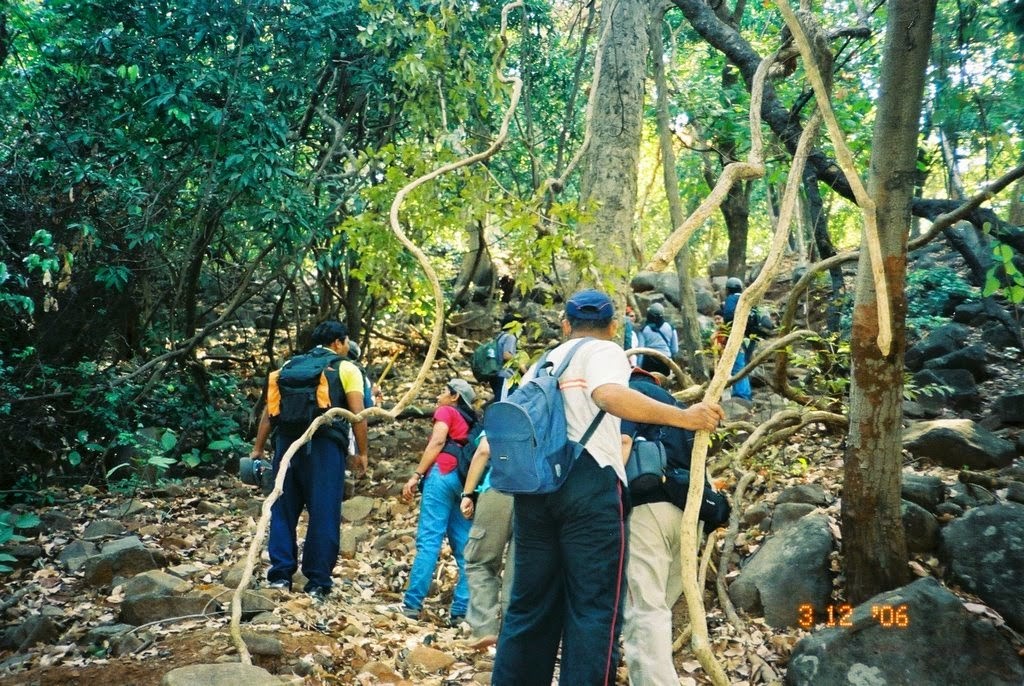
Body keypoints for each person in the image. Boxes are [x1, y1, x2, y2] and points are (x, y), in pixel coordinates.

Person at [491, 289, 724, 686]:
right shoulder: (604, 352)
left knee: (528, 609)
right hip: (590, 486)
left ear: (565, 324)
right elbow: (609, 395)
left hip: (535, 490)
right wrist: (685, 417)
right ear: (613, 327)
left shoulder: (540, 365)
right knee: (594, 610)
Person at [250, 320, 368, 600]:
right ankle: (317, 581)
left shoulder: (290, 365)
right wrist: (362, 453)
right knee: (324, 513)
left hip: (286, 445)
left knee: (283, 509)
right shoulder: (346, 368)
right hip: (325, 448)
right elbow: (358, 415)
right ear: (339, 342)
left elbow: (270, 411)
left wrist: (258, 448)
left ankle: (280, 576)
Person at [620, 367, 702, 686]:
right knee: (656, 609)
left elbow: (623, 440)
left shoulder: (628, 396)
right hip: (688, 514)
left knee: (645, 609)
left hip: (647, 511)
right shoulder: (681, 410)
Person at [392, 378, 478, 624]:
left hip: (441, 475)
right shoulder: (473, 422)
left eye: (443, 391)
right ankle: (460, 611)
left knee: (429, 541)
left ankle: (411, 604)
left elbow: (438, 441)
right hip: (463, 481)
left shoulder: (446, 411)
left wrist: (416, 475)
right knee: (465, 548)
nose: (439, 395)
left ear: (455, 397)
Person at [459, 435, 515, 642]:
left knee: (480, 561)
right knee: (517, 573)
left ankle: (484, 628)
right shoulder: (551, 413)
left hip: (499, 489)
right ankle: (512, 639)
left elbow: (484, 450)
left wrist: (467, 493)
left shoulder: (505, 410)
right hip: (538, 494)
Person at [710, 311, 753, 401]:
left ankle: (743, 395)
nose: (717, 321)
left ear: (724, 319)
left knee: (739, 372)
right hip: (727, 355)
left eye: (719, 319)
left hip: (736, 353)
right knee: (735, 373)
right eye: (715, 320)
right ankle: (739, 393)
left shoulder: (729, 329)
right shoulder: (718, 332)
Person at [639, 301, 679, 376]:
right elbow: (675, 349)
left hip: (648, 361)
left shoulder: (644, 329)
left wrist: (638, 366)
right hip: (665, 360)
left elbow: (641, 351)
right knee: (664, 384)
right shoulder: (670, 327)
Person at [491, 314, 520, 402]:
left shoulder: (500, 336)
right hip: (505, 375)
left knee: (499, 399)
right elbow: (506, 355)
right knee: (504, 402)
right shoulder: (510, 337)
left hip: (496, 374)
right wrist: (520, 364)